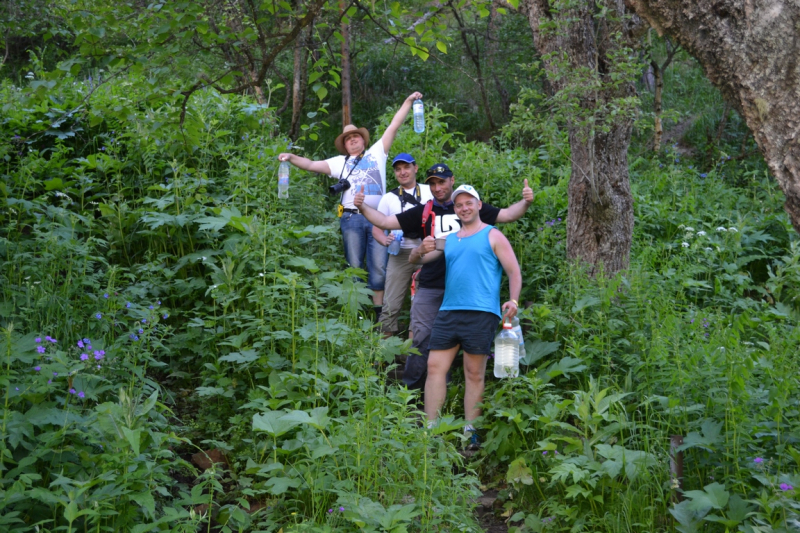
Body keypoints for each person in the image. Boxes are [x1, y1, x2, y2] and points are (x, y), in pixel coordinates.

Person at [353, 162, 533, 389]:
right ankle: (412, 393)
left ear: (452, 180)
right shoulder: (424, 211)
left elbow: (507, 215)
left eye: (442, 181)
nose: (438, 187)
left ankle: (446, 390)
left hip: (464, 290)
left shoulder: (468, 206)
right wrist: (362, 207)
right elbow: (386, 222)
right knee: (420, 339)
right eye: (433, 184)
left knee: (450, 342)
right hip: (430, 284)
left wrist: (525, 201)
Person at [278, 91, 423, 317]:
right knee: (354, 267)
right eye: (348, 138)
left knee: (378, 269)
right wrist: (291, 157)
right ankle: (357, 318)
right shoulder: (339, 163)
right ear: (345, 146)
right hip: (351, 218)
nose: (352, 139)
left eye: (356, 136)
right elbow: (310, 164)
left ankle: (378, 319)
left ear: (364, 140)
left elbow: (394, 125)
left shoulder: (377, 153)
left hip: (377, 218)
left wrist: (408, 101)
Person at [412, 184, 521, 445]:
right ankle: (430, 430)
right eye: (459, 205)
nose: (464, 207)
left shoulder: (493, 235)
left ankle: (470, 433)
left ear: (479, 205)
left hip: (481, 313)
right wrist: (419, 250)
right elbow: (415, 261)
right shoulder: (449, 240)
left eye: (469, 202)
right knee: (434, 367)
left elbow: (514, 271)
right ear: (455, 209)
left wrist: (513, 299)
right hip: (448, 311)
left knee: (473, 373)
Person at [372, 153, 432, 337]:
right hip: (399, 254)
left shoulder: (430, 191)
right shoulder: (389, 198)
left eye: (406, 167)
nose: (402, 172)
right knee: (390, 305)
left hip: (427, 254)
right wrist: (385, 240)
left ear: (416, 168)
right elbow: (376, 229)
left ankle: (413, 354)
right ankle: (383, 356)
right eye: (398, 169)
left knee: (421, 305)